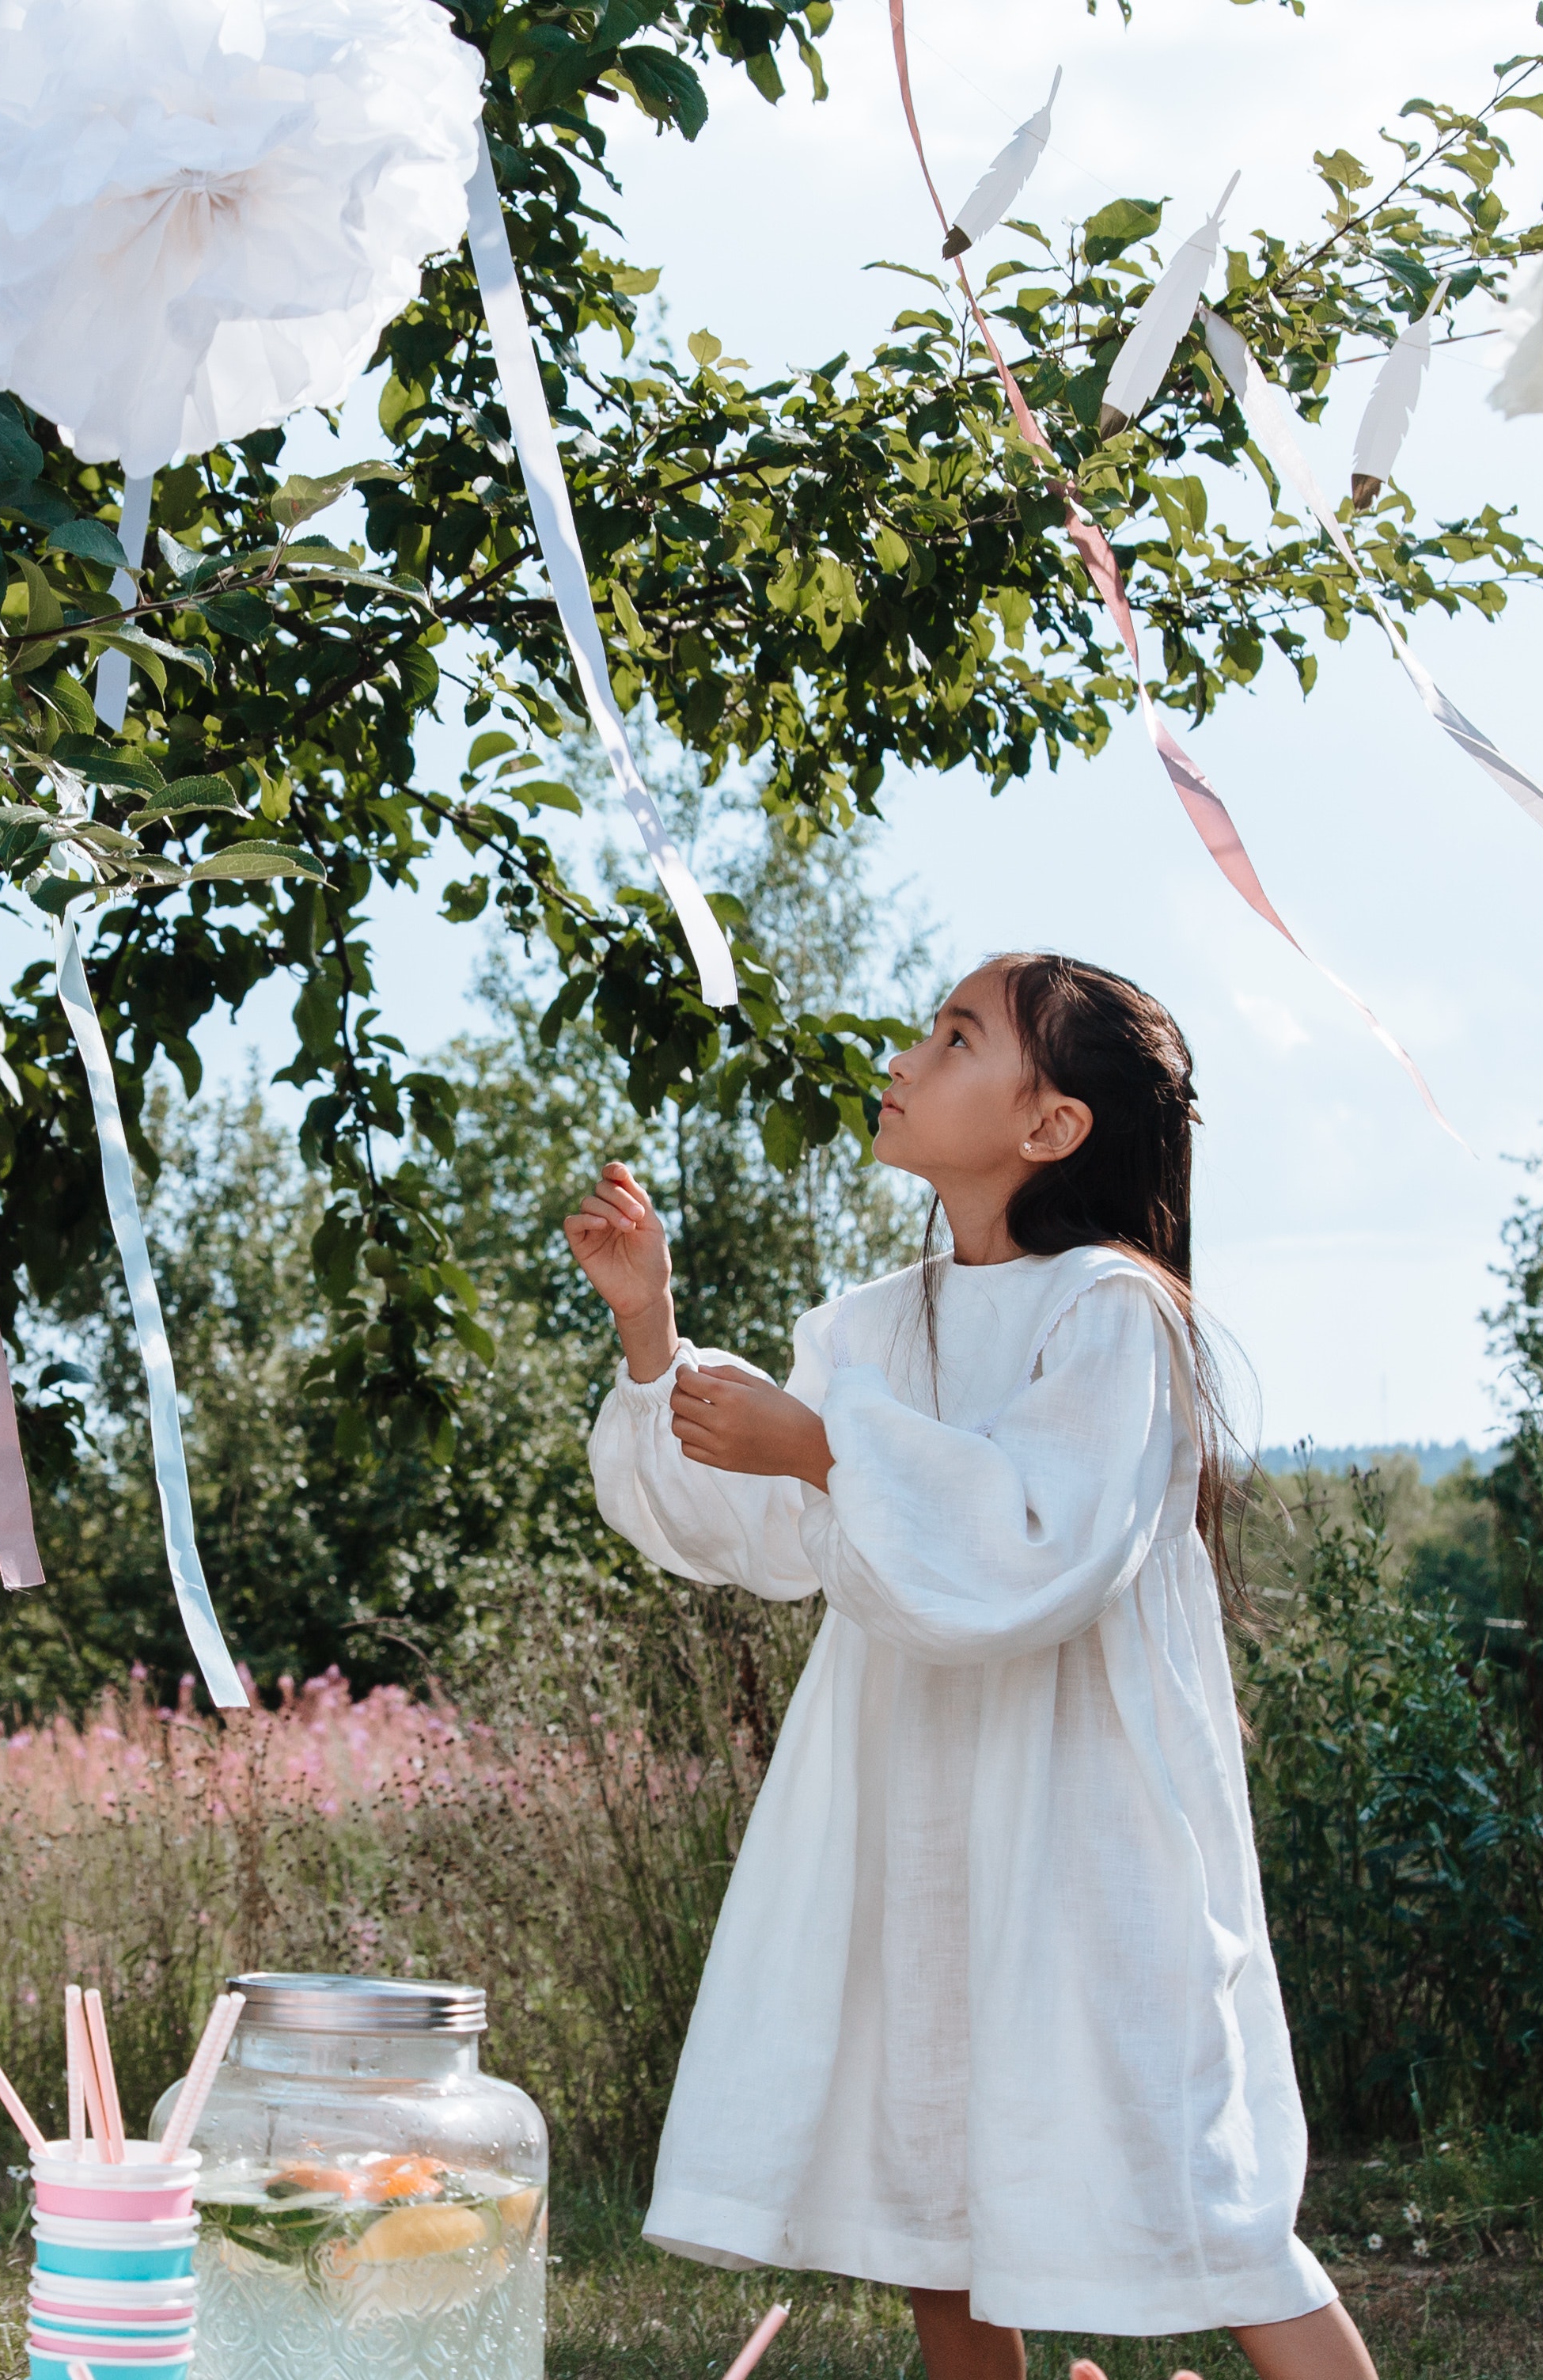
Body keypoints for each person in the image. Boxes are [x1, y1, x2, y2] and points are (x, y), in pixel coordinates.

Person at [567, 953, 1375, 2380]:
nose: (911, 1052)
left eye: (957, 1038)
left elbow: (1036, 1550)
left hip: (1086, 1820)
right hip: (917, 1810)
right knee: (931, 2198)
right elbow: (757, 1529)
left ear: (1048, 1126)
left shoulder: (1113, 1311)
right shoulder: (878, 1321)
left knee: (1201, 2189)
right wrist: (651, 1331)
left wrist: (823, 1445)